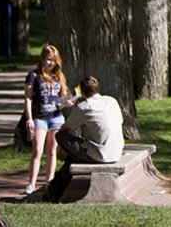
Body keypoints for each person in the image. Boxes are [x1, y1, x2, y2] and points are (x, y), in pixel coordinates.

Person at [45, 76, 124, 202]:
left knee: (60, 136)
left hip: (100, 154)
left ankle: (52, 195)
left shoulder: (84, 107)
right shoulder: (111, 101)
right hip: (116, 150)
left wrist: (63, 148)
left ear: (81, 91)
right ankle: (52, 194)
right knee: (71, 160)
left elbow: (65, 128)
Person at [24, 44, 71, 195]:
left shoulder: (59, 77)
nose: (51, 63)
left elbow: (61, 99)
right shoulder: (34, 75)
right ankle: (31, 183)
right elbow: (28, 98)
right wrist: (29, 118)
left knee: (52, 151)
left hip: (56, 118)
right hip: (40, 118)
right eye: (48, 60)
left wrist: (67, 102)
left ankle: (49, 183)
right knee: (37, 151)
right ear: (42, 59)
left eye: (54, 60)